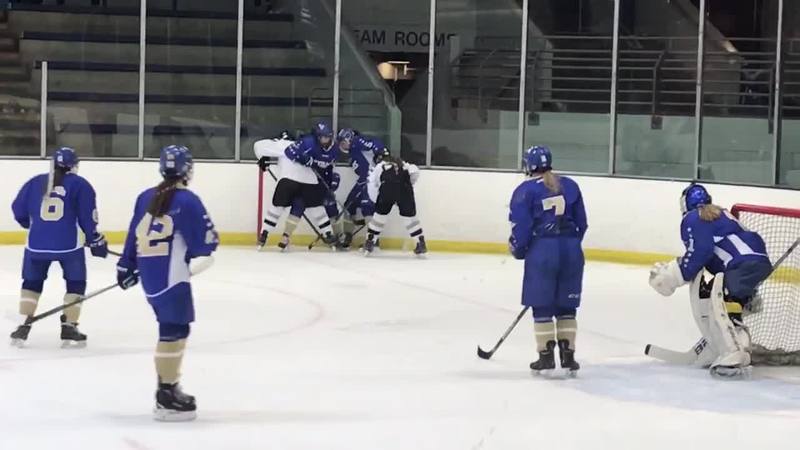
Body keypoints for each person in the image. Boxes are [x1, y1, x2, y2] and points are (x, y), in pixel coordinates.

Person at [116, 145, 219, 421]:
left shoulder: (145, 197)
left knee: (171, 328)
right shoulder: (187, 200)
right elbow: (206, 242)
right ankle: (166, 394)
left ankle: (168, 387)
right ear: (187, 170)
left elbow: (133, 235)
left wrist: (126, 265)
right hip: (173, 278)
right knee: (174, 330)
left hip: (151, 277)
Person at [649, 183, 772, 379]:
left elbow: (700, 252)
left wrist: (674, 275)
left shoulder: (693, 218)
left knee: (719, 306)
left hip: (739, 265)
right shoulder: (722, 214)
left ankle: (733, 352)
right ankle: (731, 344)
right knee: (729, 303)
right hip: (756, 262)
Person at [9, 147, 108, 347]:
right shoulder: (80, 185)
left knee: (31, 283)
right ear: (74, 166)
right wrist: (95, 239)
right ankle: (69, 326)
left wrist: (33, 226)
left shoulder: (35, 182)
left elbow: (18, 210)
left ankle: (23, 325)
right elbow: (87, 218)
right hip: (69, 246)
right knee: (76, 283)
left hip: (36, 245)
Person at [508, 145, 587, 375]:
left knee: (542, 304)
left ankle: (546, 356)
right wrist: (571, 244)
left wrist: (519, 249)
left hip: (543, 251)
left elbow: (521, 228)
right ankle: (568, 356)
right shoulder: (570, 185)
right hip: (571, 250)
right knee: (567, 305)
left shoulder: (525, 191)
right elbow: (582, 223)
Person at [254, 123, 338, 250]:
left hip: (290, 180)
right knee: (316, 207)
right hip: (307, 180)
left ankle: (264, 234)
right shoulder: (300, 143)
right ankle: (328, 233)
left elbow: (259, 146)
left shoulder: (286, 144)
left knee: (277, 207)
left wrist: (263, 157)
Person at [363, 149, 426, 256]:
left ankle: (370, 241)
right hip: (405, 190)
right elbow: (415, 172)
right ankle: (420, 242)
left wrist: (378, 201)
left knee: (379, 217)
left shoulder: (379, 166)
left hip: (387, 190)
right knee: (410, 218)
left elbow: (374, 184)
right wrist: (405, 188)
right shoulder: (404, 165)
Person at [336, 128, 386, 250]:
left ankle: (373, 241)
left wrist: (380, 154)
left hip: (371, 181)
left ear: (349, 139)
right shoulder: (352, 151)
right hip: (362, 181)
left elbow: (377, 144)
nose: (341, 145)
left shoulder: (357, 141)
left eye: (343, 142)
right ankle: (347, 236)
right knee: (348, 206)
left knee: (367, 206)